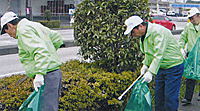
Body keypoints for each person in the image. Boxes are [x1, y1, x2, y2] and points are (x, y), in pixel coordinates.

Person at [0, 11, 63, 111]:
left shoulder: (23, 31)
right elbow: (56, 38)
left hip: (46, 75)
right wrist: (49, 55)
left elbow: (40, 50)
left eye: (6, 32)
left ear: (10, 25)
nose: (10, 35)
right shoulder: (34, 25)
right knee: (50, 107)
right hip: (54, 73)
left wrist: (39, 73)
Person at [124, 16, 184, 111]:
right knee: (159, 97)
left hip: (173, 66)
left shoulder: (157, 31)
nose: (133, 34)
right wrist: (145, 65)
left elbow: (159, 54)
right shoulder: (143, 36)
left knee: (170, 98)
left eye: (133, 31)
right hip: (160, 66)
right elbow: (149, 53)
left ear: (140, 26)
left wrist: (151, 71)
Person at [179, 7, 200, 105]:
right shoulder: (188, 27)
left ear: (198, 16)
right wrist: (181, 48)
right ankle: (188, 98)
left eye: (193, 18)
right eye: (190, 19)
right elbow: (183, 38)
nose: (191, 20)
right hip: (191, 55)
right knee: (190, 76)